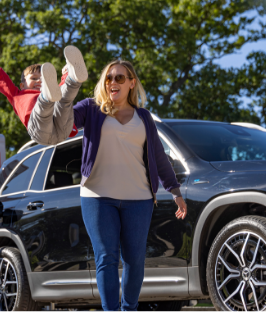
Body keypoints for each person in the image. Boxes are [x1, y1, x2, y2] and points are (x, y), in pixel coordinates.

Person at [69, 60, 188, 312]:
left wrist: (174, 190)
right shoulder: (91, 109)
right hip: (97, 197)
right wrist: (65, 86)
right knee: (106, 258)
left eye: (120, 78)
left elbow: (158, 156)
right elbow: (66, 120)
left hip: (139, 198)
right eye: (109, 78)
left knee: (134, 260)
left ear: (132, 83)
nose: (113, 82)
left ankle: (129, 309)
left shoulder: (143, 117)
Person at [0, 45, 88, 145]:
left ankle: (74, 79)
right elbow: (2, 79)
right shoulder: (16, 95)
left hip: (63, 129)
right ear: (22, 85)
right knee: (44, 106)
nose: (39, 80)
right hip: (40, 130)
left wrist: (66, 74)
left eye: (43, 78)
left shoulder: (53, 92)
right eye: (34, 78)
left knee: (64, 100)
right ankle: (46, 97)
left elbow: (62, 91)